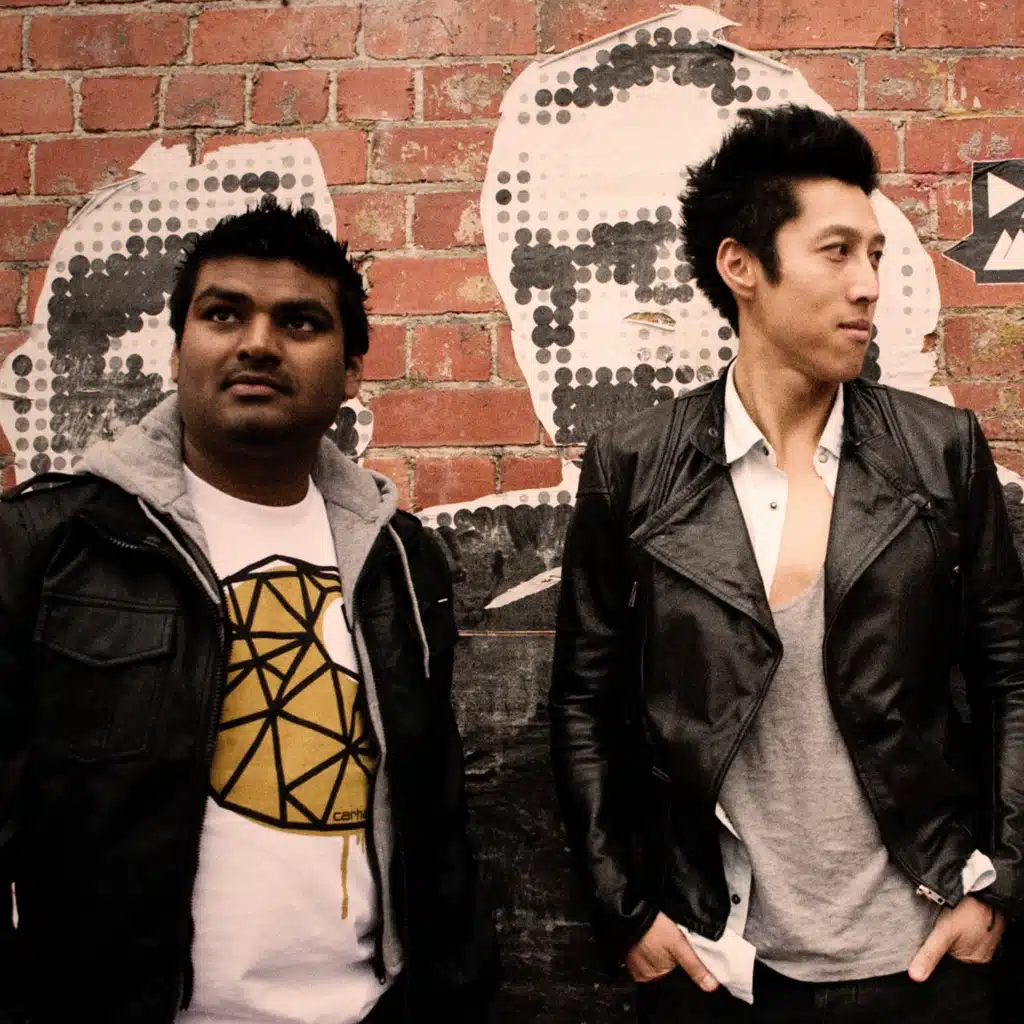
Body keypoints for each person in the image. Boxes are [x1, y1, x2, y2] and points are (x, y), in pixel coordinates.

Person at [549, 105, 1024, 1023]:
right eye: (836, 252)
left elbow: (1012, 677)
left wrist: (998, 884)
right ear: (742, 267)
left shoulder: (941, 454)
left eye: (875, 255)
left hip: (921, 960)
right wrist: (626, 911)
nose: (868, 285)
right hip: (720, 963)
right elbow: (584, 705)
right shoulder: (634, 468)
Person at [0, 196, 498, 1024]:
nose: (258, 343)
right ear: (177, 350)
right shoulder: (50, 545)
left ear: (351, 373)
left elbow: (436, 817)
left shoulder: (399, 559)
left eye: (300, 322)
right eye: (223, 314)